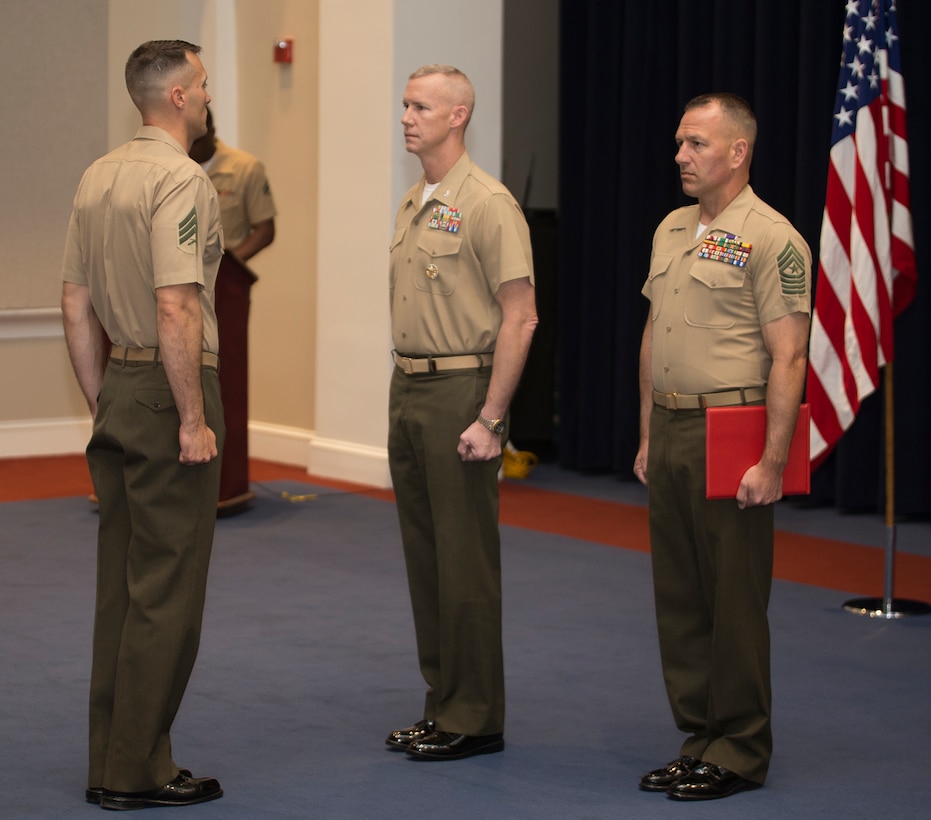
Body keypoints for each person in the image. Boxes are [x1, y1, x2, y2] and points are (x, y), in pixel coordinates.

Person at [61, 40, 225, 810]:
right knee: (167, 590)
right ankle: (139, 772)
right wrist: (191, 418)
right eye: (205, 82)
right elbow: (176, 303)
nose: (210, 93)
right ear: (180, 97)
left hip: (122, 389)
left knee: (121, 590)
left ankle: (109, 761)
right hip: (169, 390)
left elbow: (74, 302)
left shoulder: (97, 174)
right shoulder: (181, 178)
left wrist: (103, 398)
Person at [633, 93, 811, 800]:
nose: (680, 155)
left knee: (733, 599)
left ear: (738, 152)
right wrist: (647, 431)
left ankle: (738, 748)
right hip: (672, 425)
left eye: (697, 144)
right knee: (679, 596)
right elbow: (654, 331)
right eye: (680, 142)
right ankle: (699, 738)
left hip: (733, 430)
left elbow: (789, 356)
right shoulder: (672, 227)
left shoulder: (773, 237)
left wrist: (772, 460)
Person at [385, 64, 538, 761]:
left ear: (458, 116)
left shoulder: (488, 203)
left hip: (460, 392)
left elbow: (521, 317)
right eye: (405, 105)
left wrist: (492, 417)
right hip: (409, 386)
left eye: (421, 107)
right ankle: (441, 701)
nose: (406, 117)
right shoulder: (415, 200)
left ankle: (475, 716)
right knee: (427, 558)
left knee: (464, 559)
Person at [189, 106, 276, 262]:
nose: (190, 148)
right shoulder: (170, 169)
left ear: (211, 133)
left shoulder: (246, 168)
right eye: (186, 140)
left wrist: (228, 266)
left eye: (197, 141)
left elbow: (265, 230)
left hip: (223, 271)